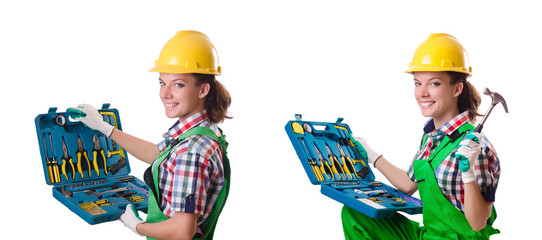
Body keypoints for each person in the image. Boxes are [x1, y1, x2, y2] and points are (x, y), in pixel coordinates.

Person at [71, 30, 232, 240]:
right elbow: (159, 154)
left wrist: (137, 226)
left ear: (203, 90)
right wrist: (105, 128)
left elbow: (182, 231)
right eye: (162, 83)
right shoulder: (202, 133)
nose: (165, 93)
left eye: (178, 84)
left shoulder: (191, 153)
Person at [342, 33, 501, 239]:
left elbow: (478, 223)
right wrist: (372, 156)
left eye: (434, 83)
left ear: (457, 89)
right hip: (429, 235)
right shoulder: (432, 138)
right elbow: (409, 185)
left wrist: (468, 174)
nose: (422, 93)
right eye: (418, 83)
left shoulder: (475, 146)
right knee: (357, 215)